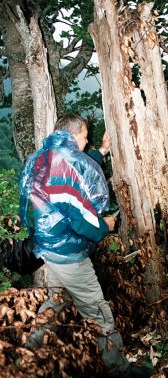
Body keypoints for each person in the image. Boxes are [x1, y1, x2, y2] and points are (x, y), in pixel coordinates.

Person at [19, 114, 152, 378]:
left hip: (49, 248)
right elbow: (82, 221)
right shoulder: (70, 163)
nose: (87, 139)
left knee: (56, 301)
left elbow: (73, 171)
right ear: (73, 135)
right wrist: (105, 227)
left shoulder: (42, 157)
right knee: (99, 312)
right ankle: (118, 369)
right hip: (69, 254)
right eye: (85, 135)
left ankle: (26, 351)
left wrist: (101, 151)